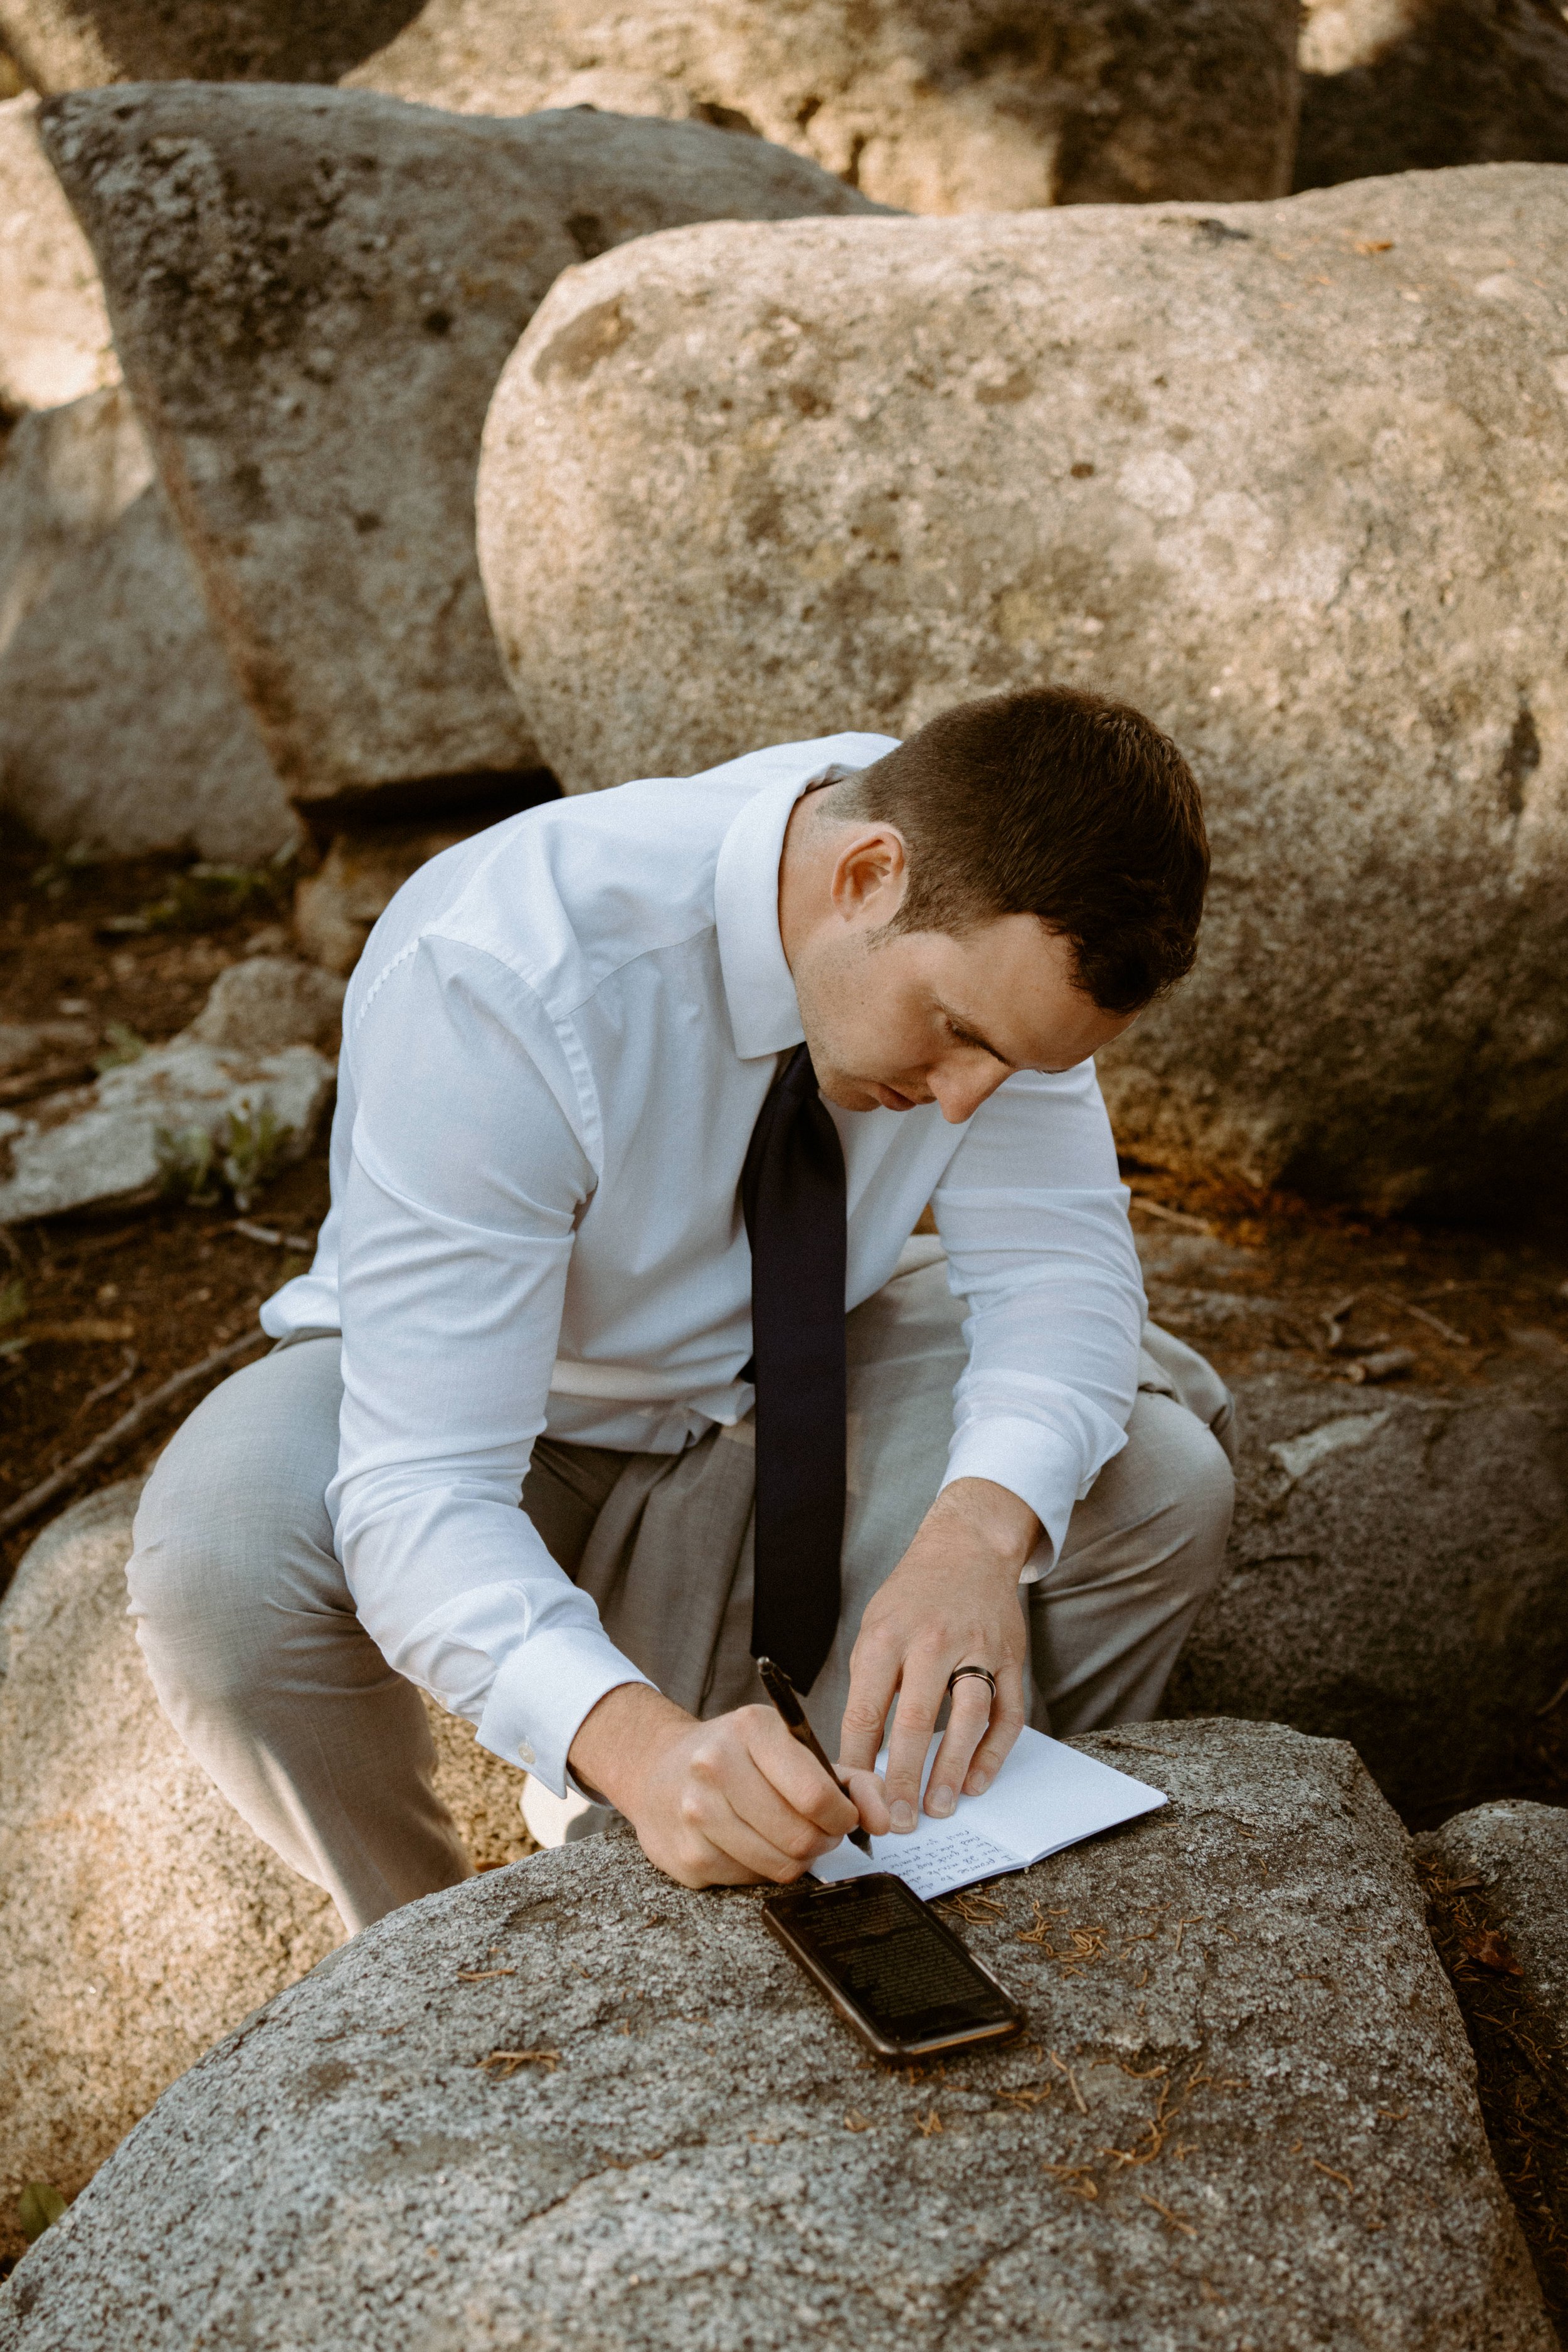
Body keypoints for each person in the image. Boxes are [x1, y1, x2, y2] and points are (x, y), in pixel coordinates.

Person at [129, 686, 1236, 1934]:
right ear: (865, 876)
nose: (966, 1101)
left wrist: (971, 1545)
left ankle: (910, 1873)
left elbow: (1060, 1280)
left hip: (794, 1375)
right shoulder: (504, 970)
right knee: (223, 1565)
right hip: (523, 1399)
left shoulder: (1004, 903)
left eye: (1014, 1064)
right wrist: (639, 1747)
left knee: (1150, 1481)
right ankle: (433, 1953)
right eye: (955, 1034)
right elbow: (422, 1490)